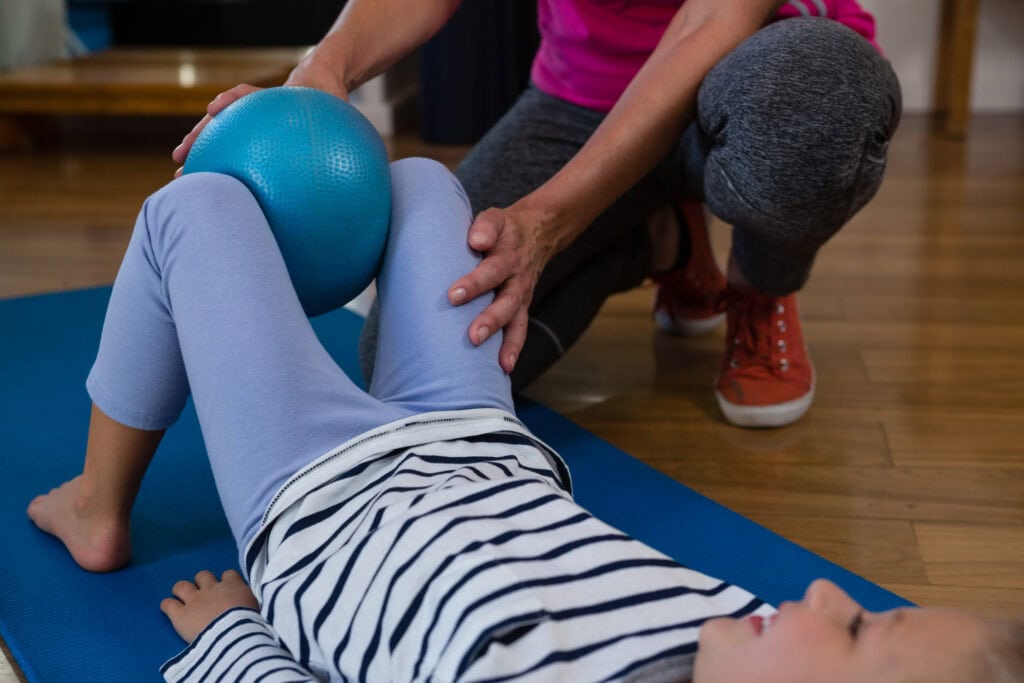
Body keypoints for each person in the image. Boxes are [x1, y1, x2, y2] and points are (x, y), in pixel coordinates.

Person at [28, 160, 1022, 681]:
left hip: (319, 494)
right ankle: (367, 364)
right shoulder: (740, 637)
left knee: (192, 209)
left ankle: (95, 506)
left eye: (851, 632)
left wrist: (234, 642)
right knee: (421, 183)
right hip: (477, 444)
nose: (820, 589)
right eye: (867, 606)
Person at [172, 0, 901, 429]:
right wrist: (322, 74)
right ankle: (663, 241)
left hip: (756, 76)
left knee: (817, 100)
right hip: (580, 95)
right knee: (418, 363)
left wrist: (548, 221)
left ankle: (759, 284)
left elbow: (716, 17)